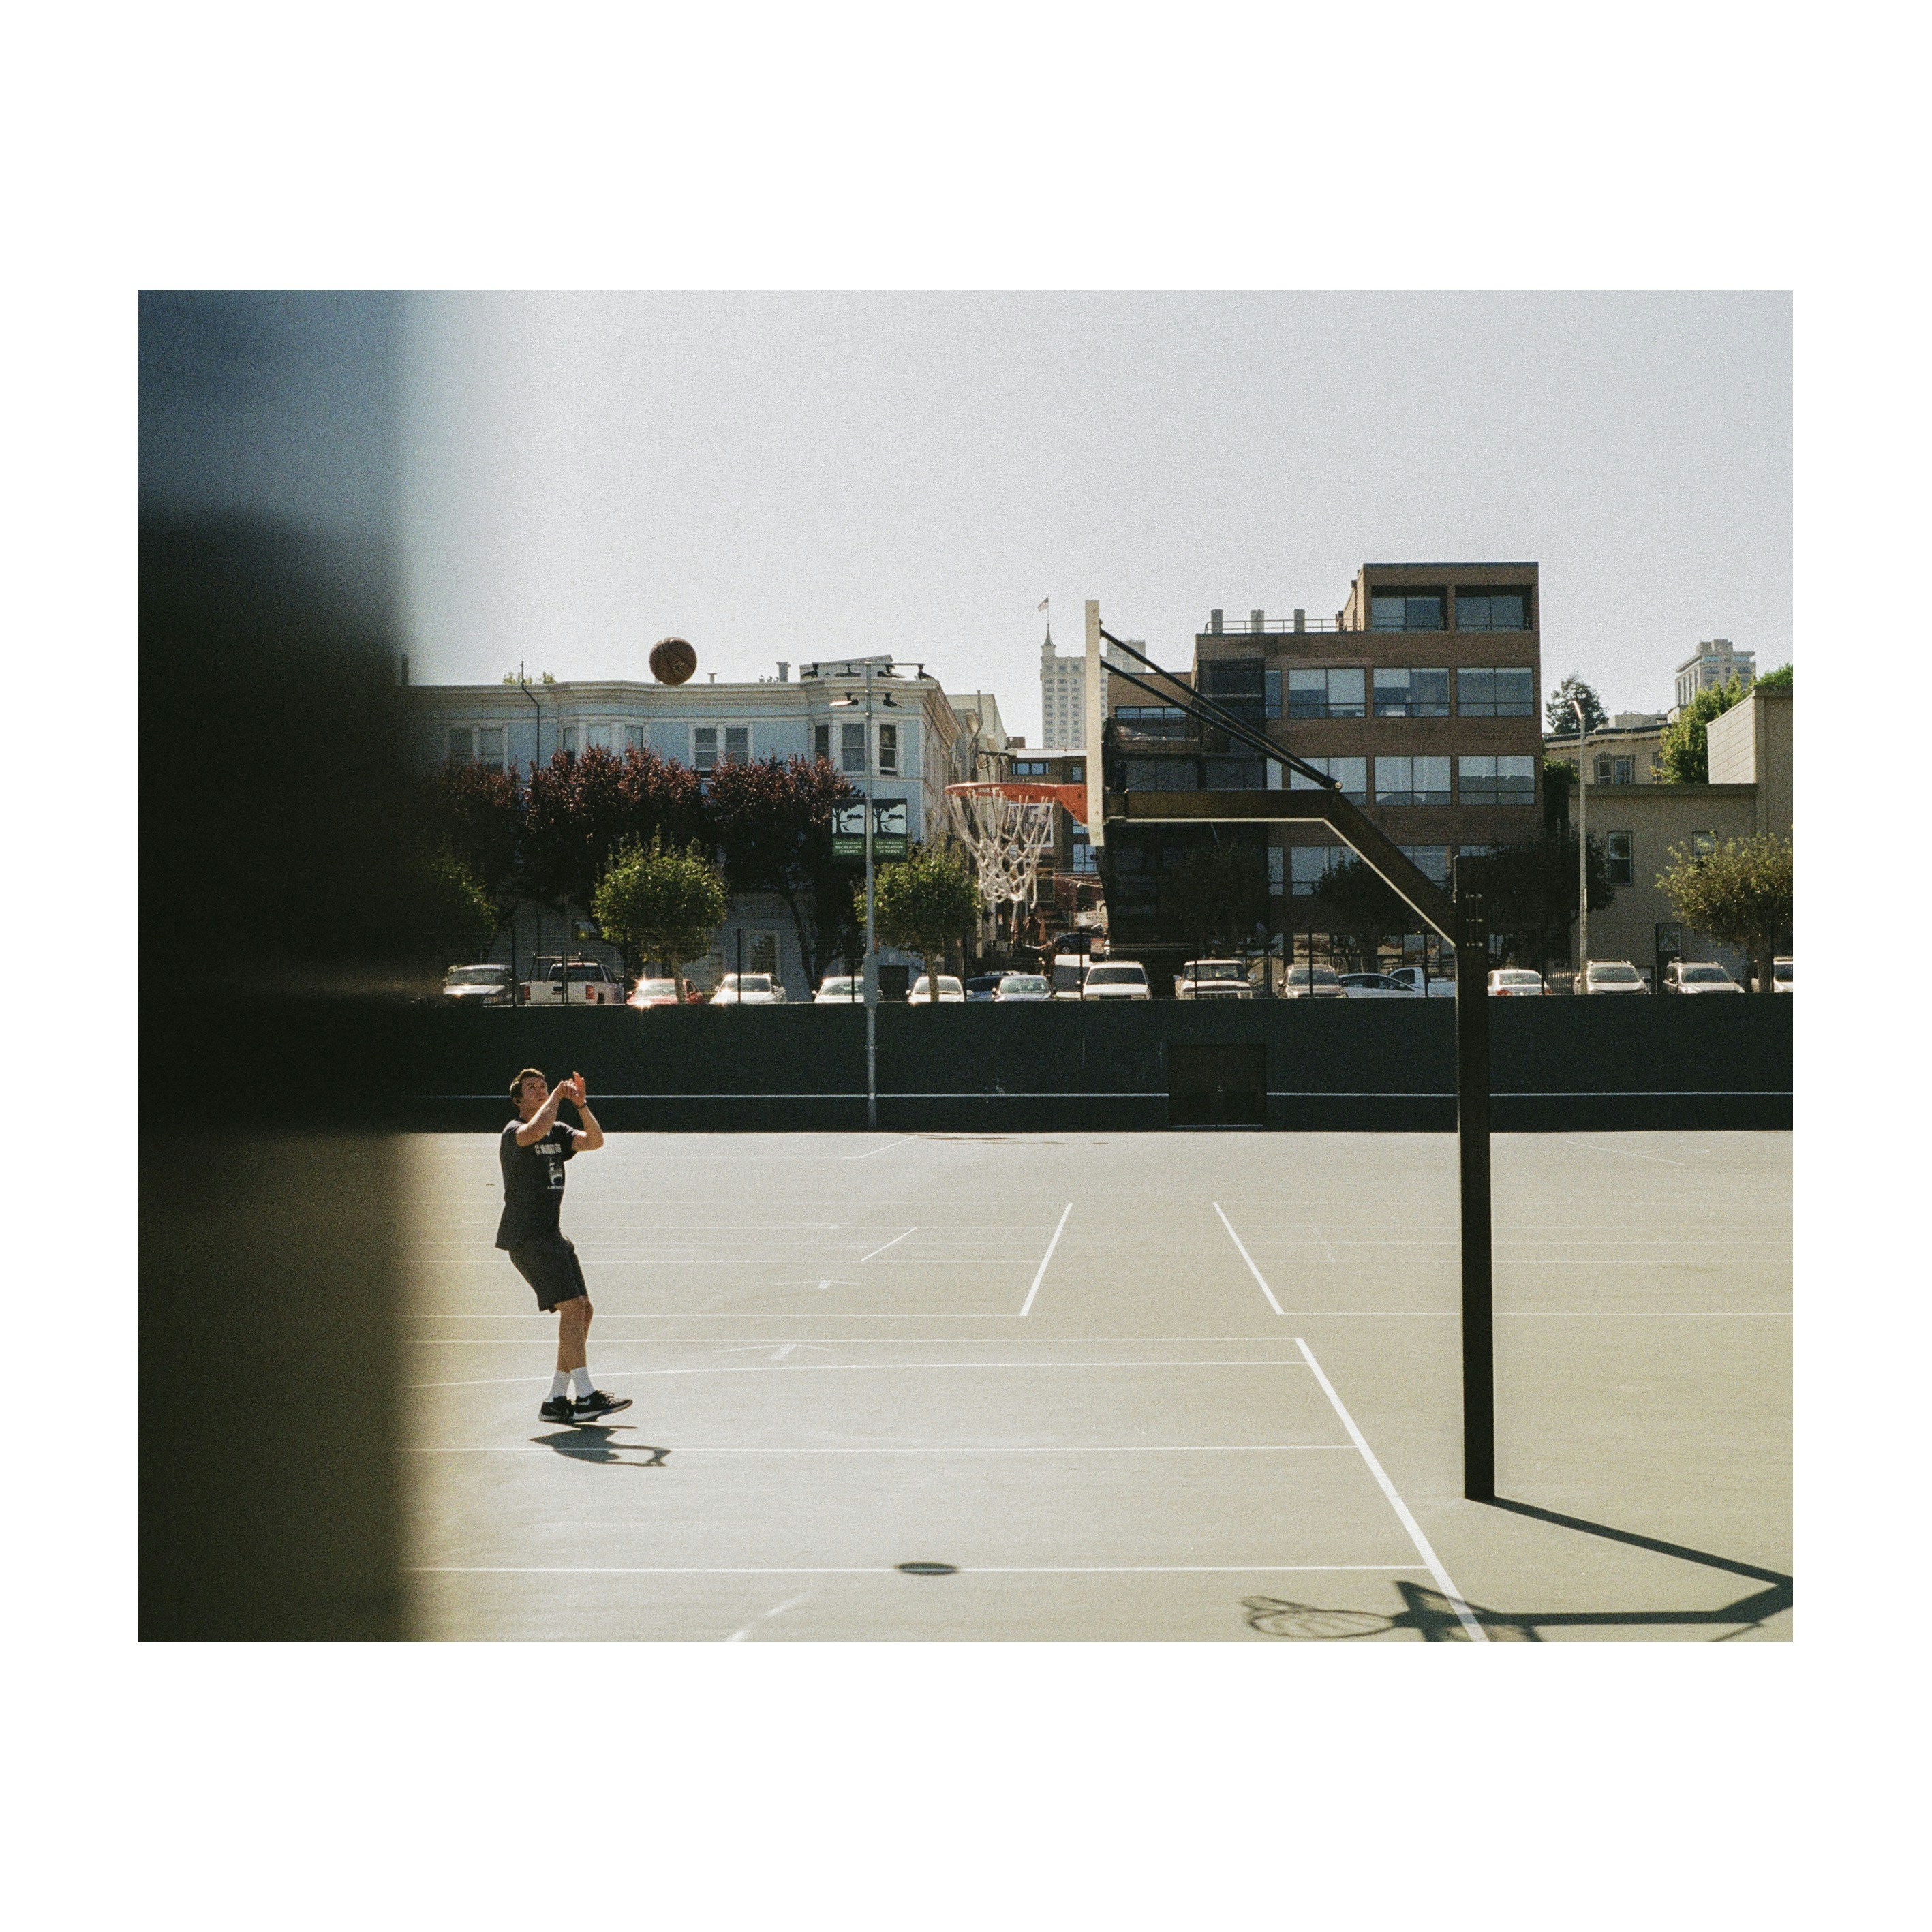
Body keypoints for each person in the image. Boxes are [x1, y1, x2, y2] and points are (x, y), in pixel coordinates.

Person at [497, 1067, 632, 1425]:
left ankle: (556, 1400)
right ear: (518, 1100)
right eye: (532, 1088)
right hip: (527, 1238)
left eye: (543, 1086)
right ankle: (586, 1396)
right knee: (572, 1308)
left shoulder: (557, 1130)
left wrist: (581, 1105)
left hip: (552, 1236)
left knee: (584, 1311)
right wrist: (557, 1096)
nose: (540, 1090)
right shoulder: (514, 1132)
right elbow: (533, 1132)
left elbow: (595, 1141)